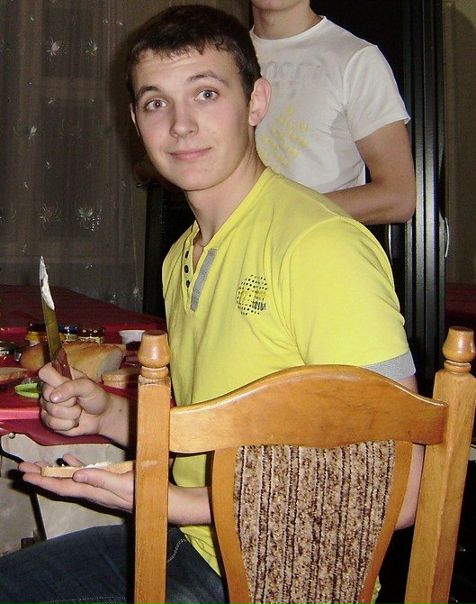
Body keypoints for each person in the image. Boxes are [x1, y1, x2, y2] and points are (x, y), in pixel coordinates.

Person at [0, 5, 421, 603]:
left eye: (205, 93)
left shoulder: (319, 246)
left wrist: (174, 501)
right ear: (135, 122)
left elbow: (398, 490)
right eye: (156, 103)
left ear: (256, 102)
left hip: (286, 579)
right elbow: (210, 431)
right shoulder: (183, 255)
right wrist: (109, 417)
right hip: (195, 546)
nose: (180, 125)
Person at [250, 0, 416, 225]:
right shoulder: (223, 59)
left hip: (317, 243)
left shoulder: (355, 59)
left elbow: (397, 197)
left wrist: (280, 215)